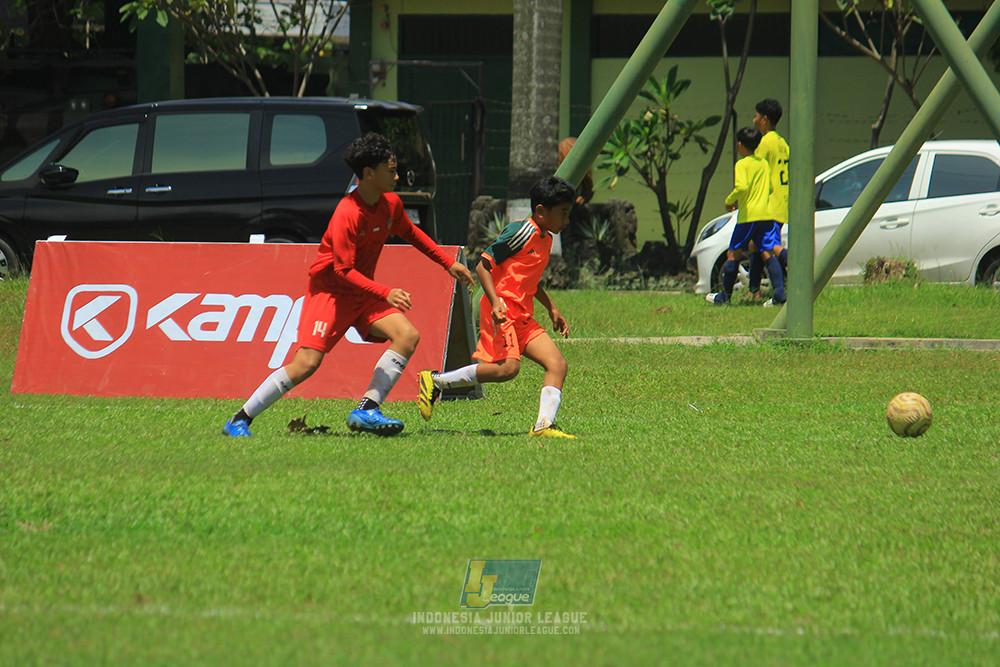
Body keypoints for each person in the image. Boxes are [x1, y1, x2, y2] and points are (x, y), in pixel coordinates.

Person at [222, 133, 474, 437]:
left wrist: (448, 263)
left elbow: (411, 234)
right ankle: (240, 418)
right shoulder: (347, 213)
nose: (397, 176)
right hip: (330, 294)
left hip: (363, 293)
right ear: (368, 174)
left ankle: (368, 408)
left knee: (407, 336)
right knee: (306, 364)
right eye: (390, 170)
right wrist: (386, 292)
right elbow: (342, 272)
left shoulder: (390, 204)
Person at [416, 176, 578, 438]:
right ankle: (435, 381)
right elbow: (483, 264)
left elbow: (529, 280)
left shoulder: (545, 237)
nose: (567, 220)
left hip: (523, 315)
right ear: (540, 211)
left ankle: (543, 426)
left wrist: (552, 308)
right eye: (563, 213)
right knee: (508, 369)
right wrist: (494, 302)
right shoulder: (520, 232)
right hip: (503, 311)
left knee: (557, 364)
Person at [707, 126, 785, 305]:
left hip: (749, 216)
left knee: (733, 254)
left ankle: (724, 297)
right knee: (768, 252)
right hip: (767, 215)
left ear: (740, 145)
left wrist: (729, 200)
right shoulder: (763, 164)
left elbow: (741, 187)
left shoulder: (741, 164)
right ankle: (780, 295)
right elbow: (771, 188)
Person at [747, 98, 790, 306]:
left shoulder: (765, 143)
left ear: (764, 119)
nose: (754, 119)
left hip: (769, 205)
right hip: (782, 203)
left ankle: (794, 277)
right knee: (755, 245)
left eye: (756, 116)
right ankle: (754, 291)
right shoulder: (783, 143)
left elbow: (758, 173)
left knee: (769, 247)